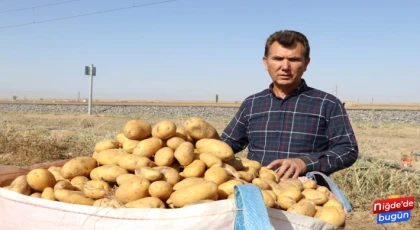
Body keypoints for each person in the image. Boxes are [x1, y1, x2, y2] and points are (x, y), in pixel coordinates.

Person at [221, 30, 358, 180]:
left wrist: (304, 163)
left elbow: (347, 149)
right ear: (266, 63)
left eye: (293, 60)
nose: (285, 66)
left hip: (307, 193)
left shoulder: (327, 103)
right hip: (258, 189)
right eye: (278, 58)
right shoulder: (252, 104)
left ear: (306, 63)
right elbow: (225, 146)